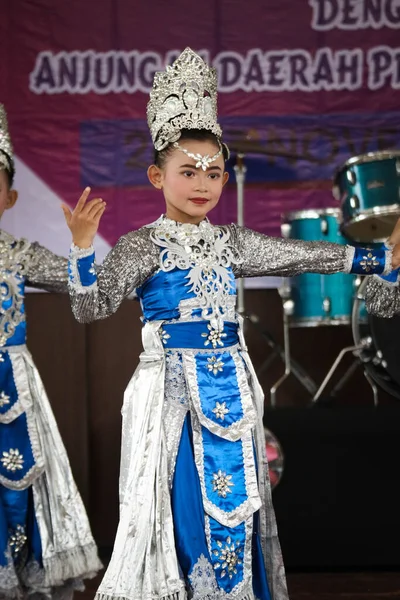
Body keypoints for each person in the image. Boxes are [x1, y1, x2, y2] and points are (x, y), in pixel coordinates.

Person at [62, 48, 400, 600]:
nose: (203, 184)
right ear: (157, 175)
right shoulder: (141, 246)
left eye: (214, 173)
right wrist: (80, 250)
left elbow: (302, 255)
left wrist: (378, 258)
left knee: (237, 513)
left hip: (232, 392)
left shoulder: (232, 242)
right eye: (188, 171)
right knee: (184, 516)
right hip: (173, 402)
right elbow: (89, 307)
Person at [0, 104, 102, 599]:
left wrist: (82, 245)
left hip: (12, 393)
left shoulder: (19, 254)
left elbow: (84, 287)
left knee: (18, 491)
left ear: (11, 196)